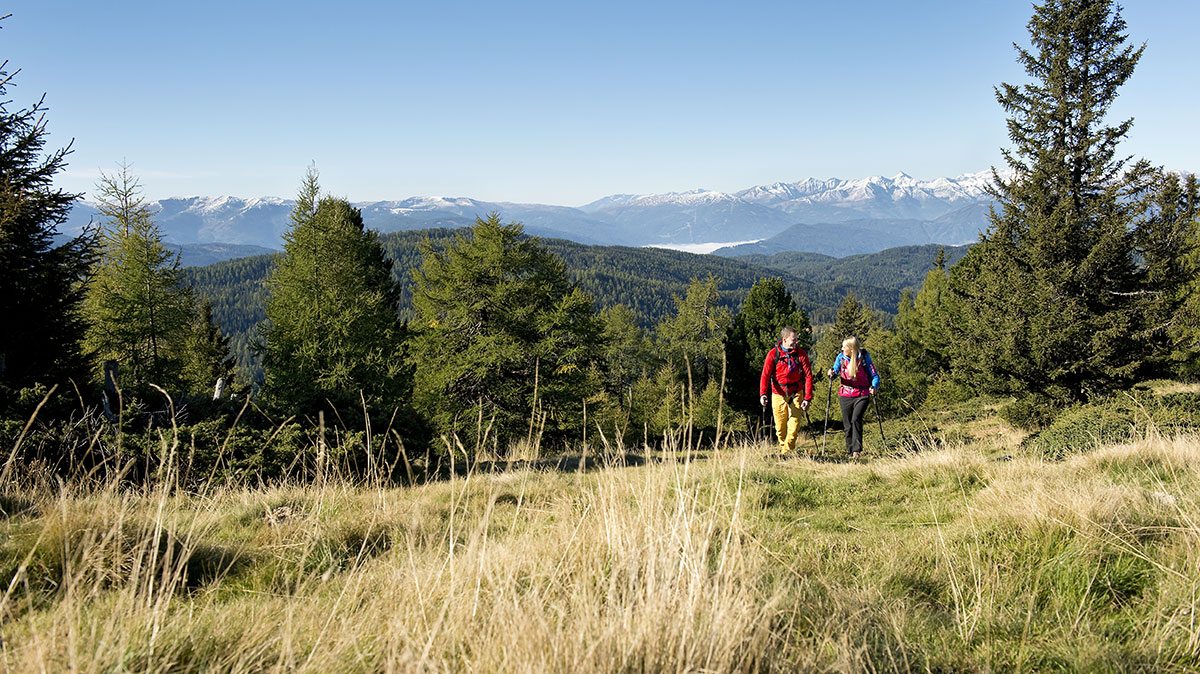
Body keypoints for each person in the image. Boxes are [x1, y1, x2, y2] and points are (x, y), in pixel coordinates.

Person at [759, 326, 813, 455]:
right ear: (784, 339)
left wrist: (807, 397)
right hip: (778, 392)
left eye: (796, 340)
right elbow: (765, 375)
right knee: (780, 427)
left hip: (796, 391)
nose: (796, 342)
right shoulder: (773, 354)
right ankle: (785, 448)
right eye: (793, 340)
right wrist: (763, 394)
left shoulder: (801, 354)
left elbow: (808, 375)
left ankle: (786, 452)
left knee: (794, 424)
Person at [828, 335, 879, 460]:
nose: (842, 348)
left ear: (851, 349)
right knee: (847, 424)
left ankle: (857, 450)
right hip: (845, 395)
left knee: (856, 419)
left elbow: (874, 375)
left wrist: (874, 386)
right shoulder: (840, 358)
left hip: (862, 394)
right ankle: (850, 450)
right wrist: (832, 373)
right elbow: (835, 370)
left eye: (844, 347)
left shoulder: (864, 358)